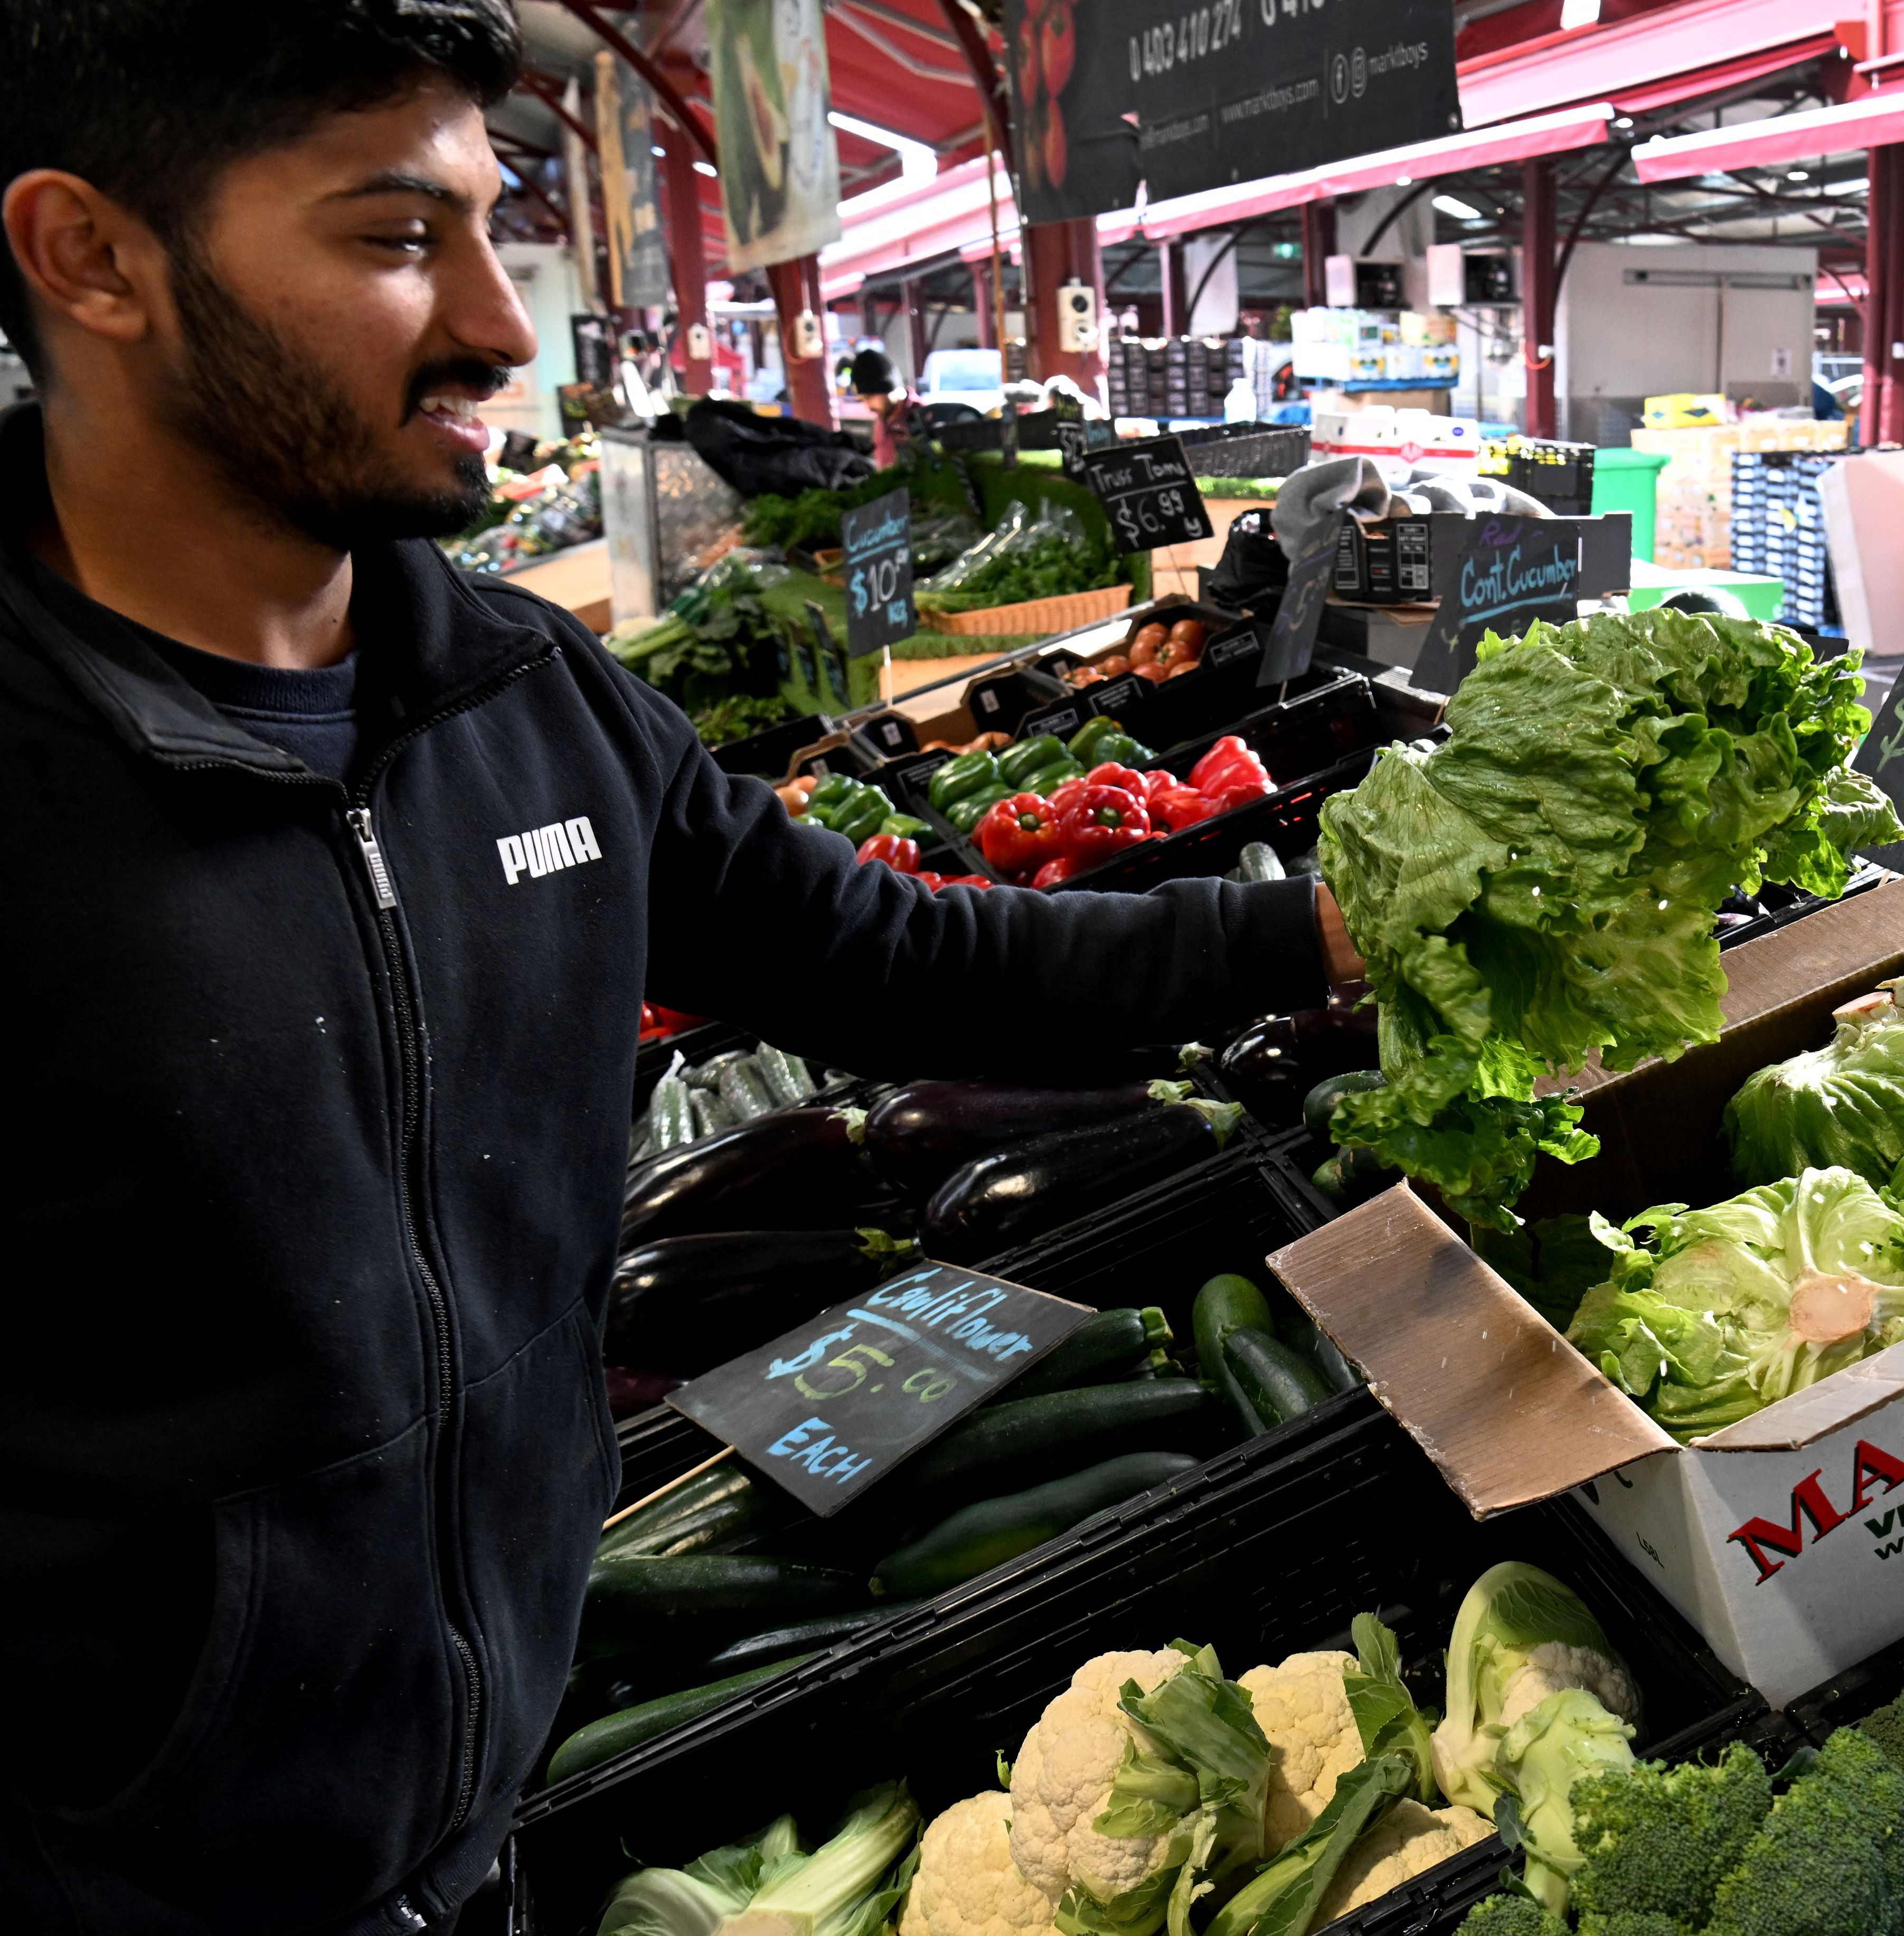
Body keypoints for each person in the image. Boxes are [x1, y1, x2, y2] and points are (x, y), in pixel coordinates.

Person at [0, 7, 1360, 1932]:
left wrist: (1308, 926)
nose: (498, 326)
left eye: (491, 226)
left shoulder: (528, 699)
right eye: (397, 242)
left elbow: (900, 959)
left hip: (486, 1813)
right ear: (91, 258)